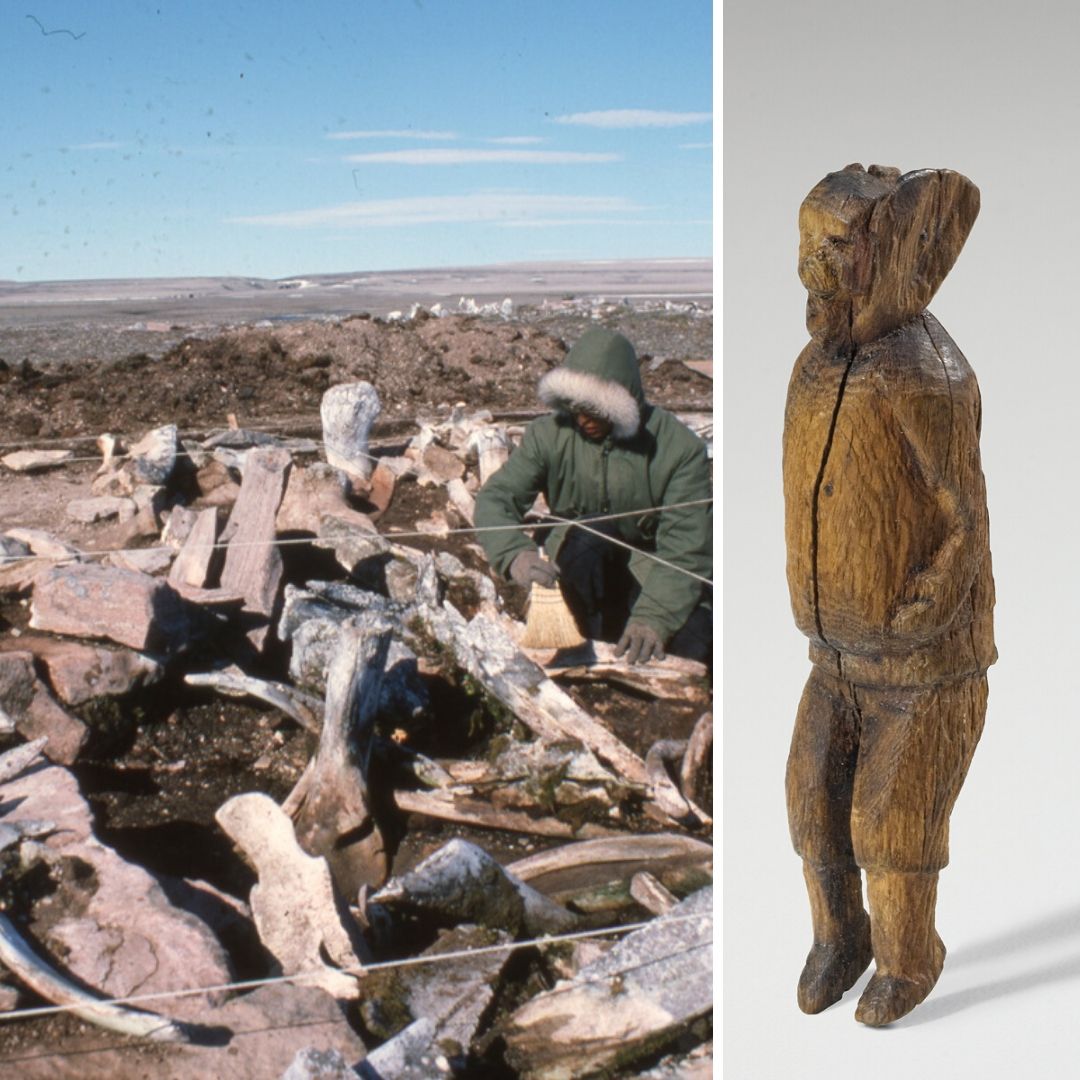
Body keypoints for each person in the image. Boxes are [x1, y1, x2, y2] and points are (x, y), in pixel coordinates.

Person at [783, 164, 995, 1026]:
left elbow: (965, 517)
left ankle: (911, 957)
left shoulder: (926, 373)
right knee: (810, 805)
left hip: (921, 665)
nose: (815, 267)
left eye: (839, 248)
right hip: (832, 651)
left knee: (890, 825)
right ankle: (842, 937)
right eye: (809, 245)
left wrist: (923, 610)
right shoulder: (814, 369)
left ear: (891, 253)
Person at [474, 327, 712, 663]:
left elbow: (687, 549)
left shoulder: (678, 450)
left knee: (697, 642)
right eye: (576, 408)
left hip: (649, 571)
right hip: (576, 564)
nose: (584, 420)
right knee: (591, 534)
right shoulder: (548, 436)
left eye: (595, 410)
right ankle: (588, 640)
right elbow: (495, 499)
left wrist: (654, 617)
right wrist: (515, 555)